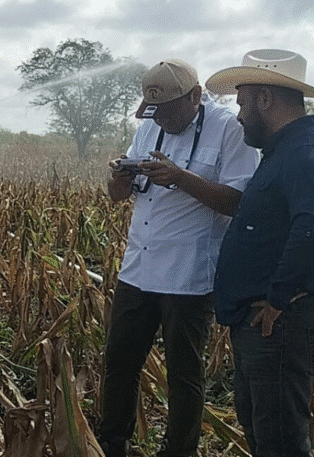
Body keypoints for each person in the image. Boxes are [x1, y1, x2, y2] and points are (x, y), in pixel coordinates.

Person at [99, 59, 259, 457]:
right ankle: (110, 442)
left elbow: (240, 202)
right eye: (155, 110)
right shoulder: (149, 126)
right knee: (119, 364)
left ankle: (179, 451)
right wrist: (117, 179)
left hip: (190, 275)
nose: (163, 119)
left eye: (171, 108)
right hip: (137, 267)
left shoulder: (229, 129)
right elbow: (119, 196)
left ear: (194, 96)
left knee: (184, 374)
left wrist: (179, 178)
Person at [206, 49, 314, 457]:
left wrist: (278, 297)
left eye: (242, 101)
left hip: (276, 326)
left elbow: (311, 225)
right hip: (262, 325)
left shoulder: (302, 152)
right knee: (261, 424)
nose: (238, 114)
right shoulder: (285, 151)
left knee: (280, 438)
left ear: (265, 99)